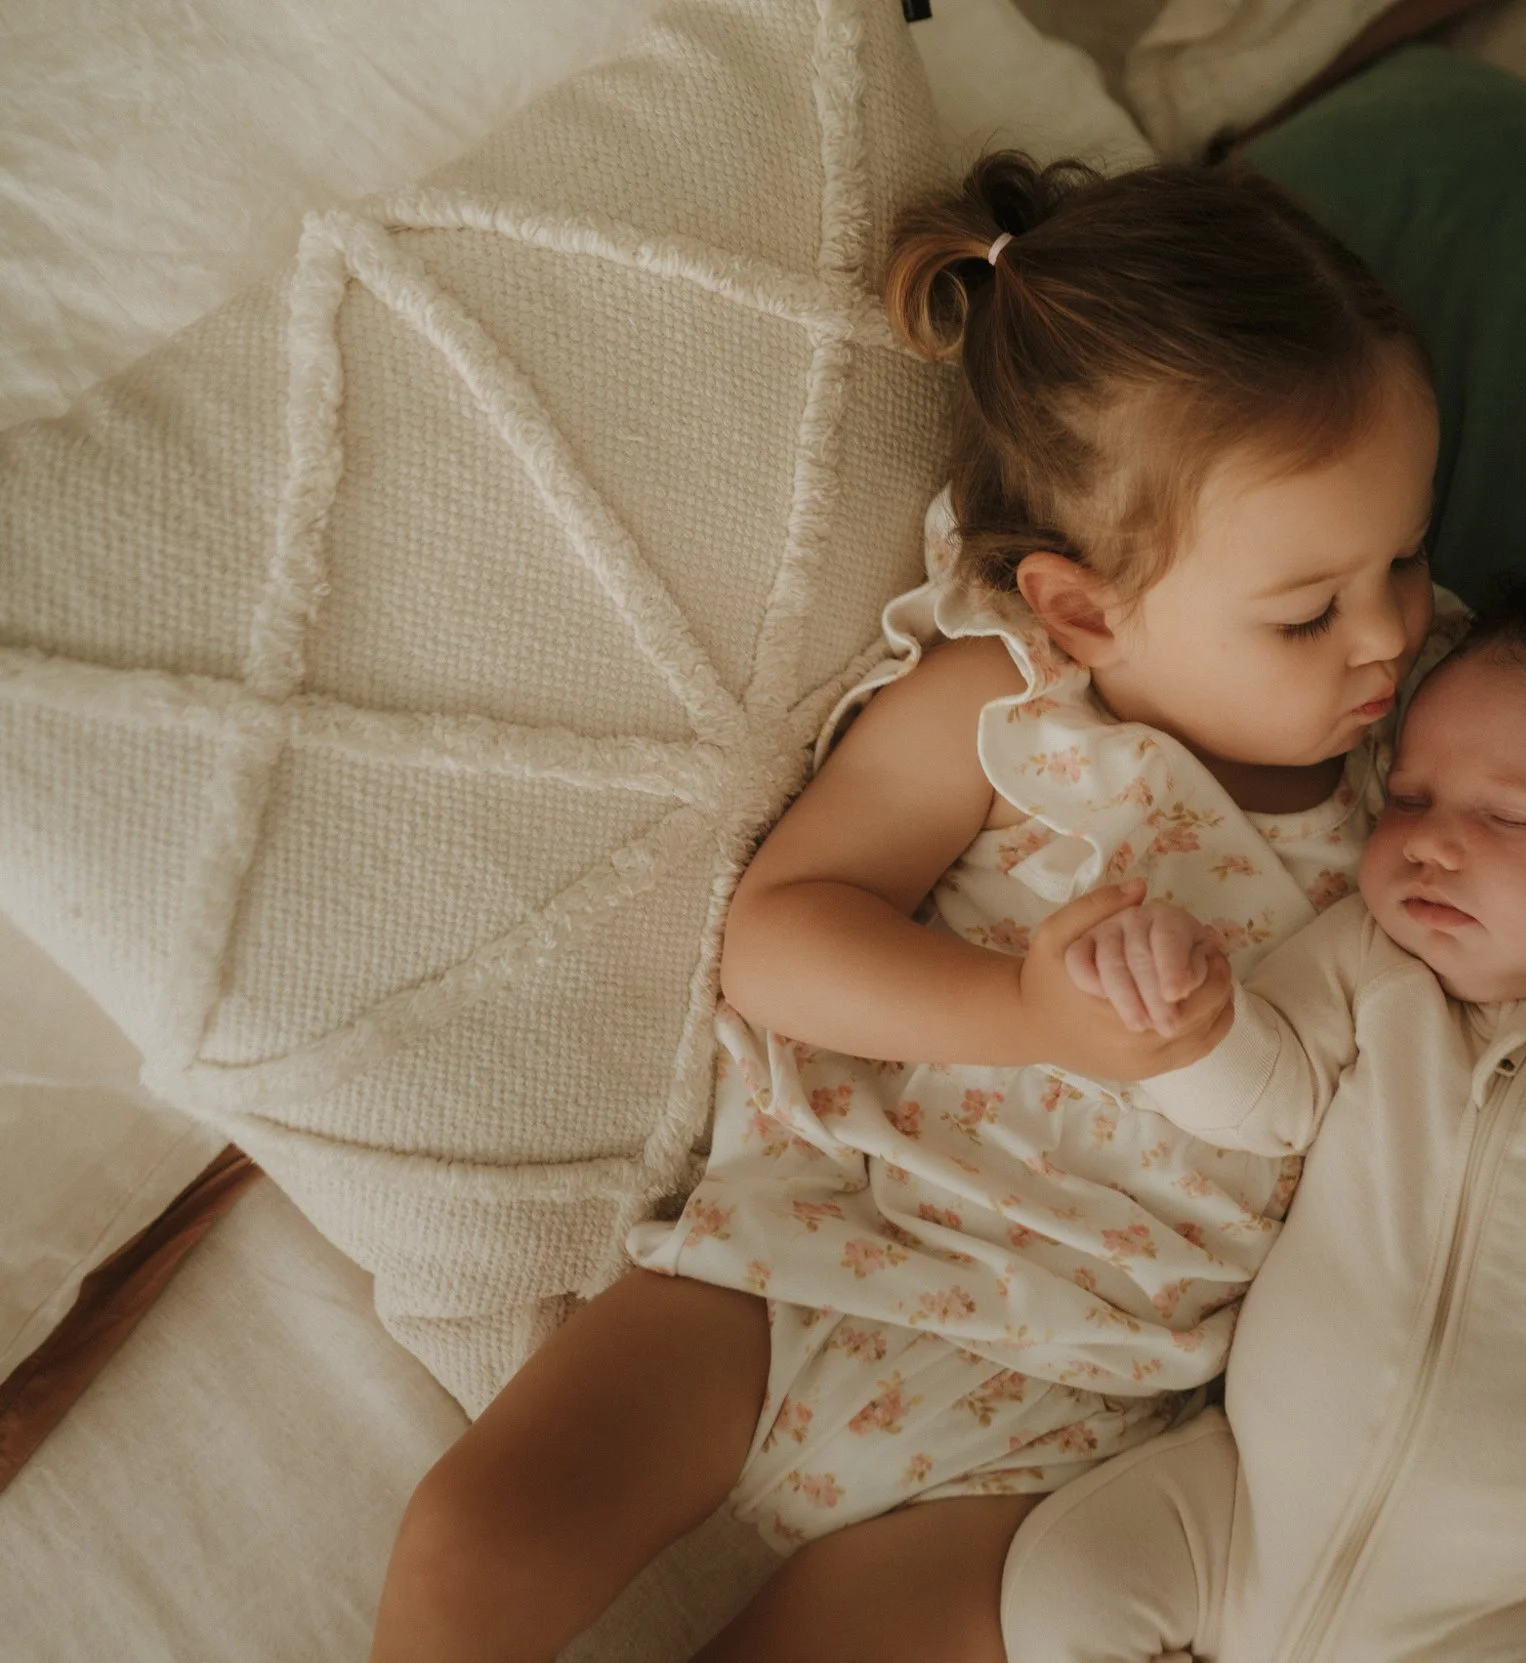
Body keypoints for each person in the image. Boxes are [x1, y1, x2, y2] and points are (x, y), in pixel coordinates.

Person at [369, 151, 1463, 1663]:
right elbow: (775, 939)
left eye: (1409, 554)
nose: (1390, 629)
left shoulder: (1425, 772)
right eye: (1307, 611)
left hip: (1078, 1397)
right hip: (817, 1243)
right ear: (1086, 609)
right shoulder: (1006, 703)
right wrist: (1025, 1013)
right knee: (478, 1536)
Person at [999, 567, 1526, 1661]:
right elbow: (1268, 1102)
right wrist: (1191, 1018)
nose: (1428, 842)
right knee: (1064, 1583)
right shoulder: (1374, 961)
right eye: (1407, 797)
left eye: (1505, 816)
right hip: (1244, 1508)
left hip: (1499, 1603)